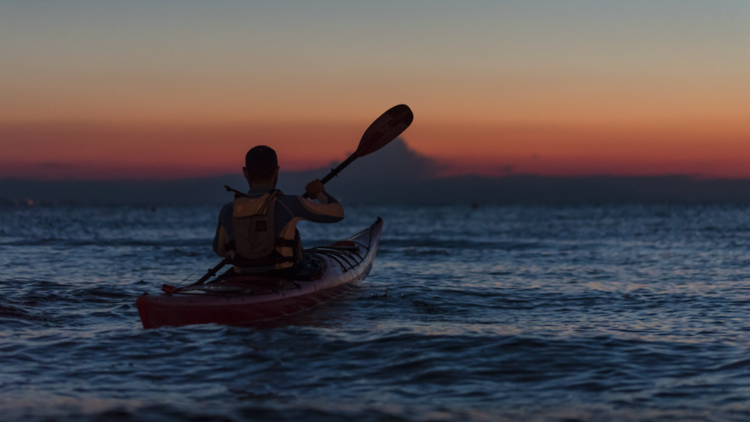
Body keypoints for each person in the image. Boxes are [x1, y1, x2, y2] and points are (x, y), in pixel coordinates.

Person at [212, 145, 344, 277]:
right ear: (276, 171)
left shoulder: (228, 210)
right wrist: (319, 193)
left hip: (242, 275)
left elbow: (220, 250)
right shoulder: (290, 204)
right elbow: (337, 213)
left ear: (245, 172)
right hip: (283, 275)